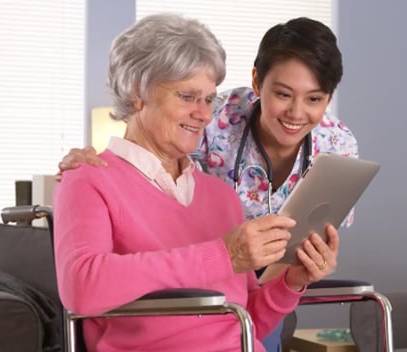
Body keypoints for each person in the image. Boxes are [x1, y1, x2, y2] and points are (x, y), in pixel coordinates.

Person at [58, 16, 355, 351]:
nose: (204, 114)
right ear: (137, 91)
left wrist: (291, 282)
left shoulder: (221, 197)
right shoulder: (89, 179)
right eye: (187, 96)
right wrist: (224, 254)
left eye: (209, 99)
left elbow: (244, 322)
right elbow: (81, 287)